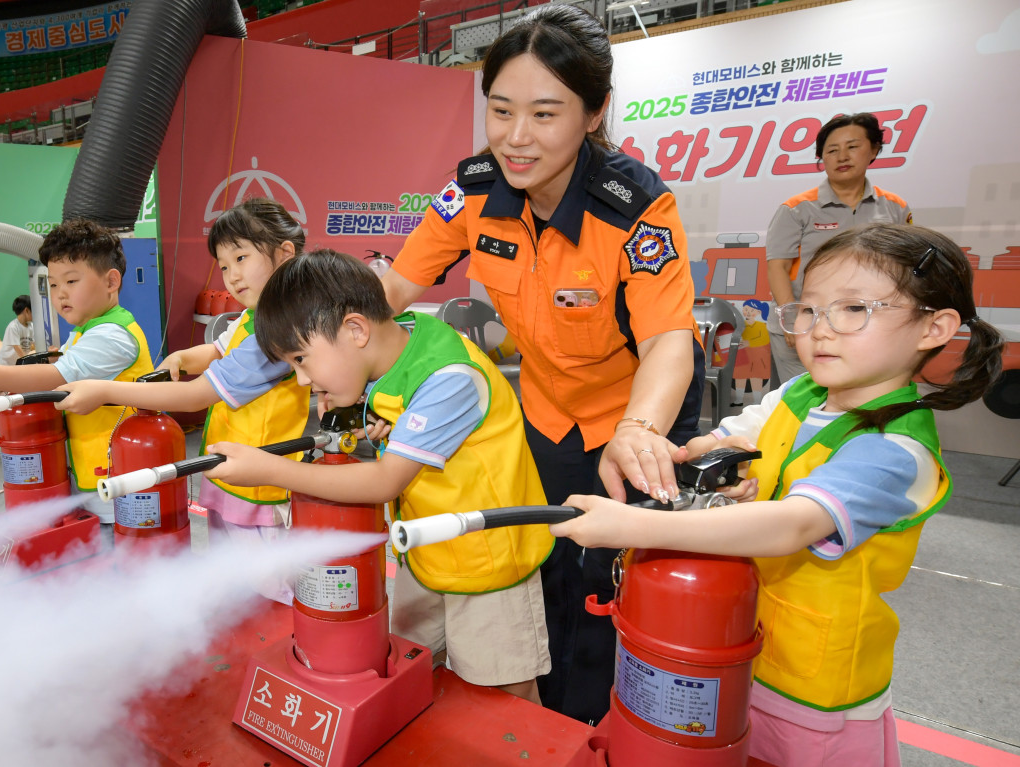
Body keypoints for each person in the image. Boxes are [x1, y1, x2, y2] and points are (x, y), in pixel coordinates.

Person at [550, 223, 1004, 767]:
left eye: (853, 309)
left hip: (813, 691)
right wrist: (693, 451)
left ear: (935, 327)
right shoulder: (803, 392)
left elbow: (793, 524)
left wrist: (632, 526)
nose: (820, 330)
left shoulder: (895, 450)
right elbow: (735, 433)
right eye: (808, 310)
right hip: (741, 646)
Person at [378, 3, 703, 723]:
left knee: (614, 577)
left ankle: (600, 726)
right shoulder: (472, 190)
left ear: (595, 112)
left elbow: (667, 343)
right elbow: (393, 289)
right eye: (500, 110)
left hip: (638, 413)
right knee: (544, 556)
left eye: (545, 114)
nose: (516, 137)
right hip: (548, 410)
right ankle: (544, 720)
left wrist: (640, 430)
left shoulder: (636, 206)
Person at [205, 250, 554, 704]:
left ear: (356, 330)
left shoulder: (448, 377)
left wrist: (270, 469)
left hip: (491, 561)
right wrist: (375, 414)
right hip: (425, 551)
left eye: (302, 359)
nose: (302, 380)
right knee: (409, 663)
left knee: (503, 692)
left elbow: (386, 481)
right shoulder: (395, 345)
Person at [54, 199, 322, 603]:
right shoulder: (251, 317)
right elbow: (217, 350)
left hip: (260, 486)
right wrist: (182, 357)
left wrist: (105, 390)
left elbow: (198, 394)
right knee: (231, 582)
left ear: (284, 254)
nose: (232, 276)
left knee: (267, 591)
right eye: (224, 266)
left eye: (241, 258)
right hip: (226, 472)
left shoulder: (279, 332)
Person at [0, 218, 155, 509]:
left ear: (110, 282)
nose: (60, 293)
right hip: (97, 463)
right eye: (53, 284)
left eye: (71, 281)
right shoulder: (87, 329)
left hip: (117, 473)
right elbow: (59, 366)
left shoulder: (112, 335)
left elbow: (57, 376)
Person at [766, 112, 913, 383]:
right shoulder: (797, 209)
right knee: (806, 397)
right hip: (808, 324)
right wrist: (792, 320)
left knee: (860, 395)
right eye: (832, 150)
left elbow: (904, 268)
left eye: (853, 147)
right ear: (822, 158)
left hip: (867, 327)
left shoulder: (895, 207)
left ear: (874, 150)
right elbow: (778, 267)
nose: (842, 157)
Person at [0, 295, 35, 366]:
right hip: (7, 363)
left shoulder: (31, 326)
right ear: (27, 310)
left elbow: (36, 344)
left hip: (19, 362)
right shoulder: (13, 327)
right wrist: (27, 362)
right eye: (34, 311)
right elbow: (17, 348)